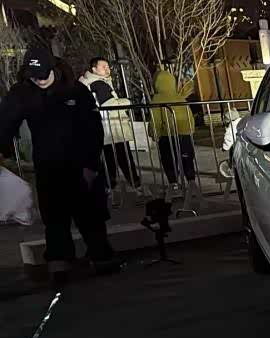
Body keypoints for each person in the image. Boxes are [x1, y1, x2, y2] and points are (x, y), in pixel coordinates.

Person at [0, 47, 117, 282]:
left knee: (90, 215)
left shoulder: (74, 89)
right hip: (48, 164)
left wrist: (90, 164)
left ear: (53, 68)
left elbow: (93, 129)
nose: (40, 80)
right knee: (54, 218)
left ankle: (101, 256)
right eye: (35, 77)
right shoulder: (23, 93)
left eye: (44, 75)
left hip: (81, 162)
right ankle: (59, 262)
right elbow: (5, 123)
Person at [80, 57, 142, 203]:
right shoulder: (98, 84)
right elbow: (110, 104)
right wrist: (128, 101)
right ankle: (136, 187)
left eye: (108, 66)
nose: (107, 69)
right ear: (94, 69)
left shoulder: (88, 83)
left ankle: (109, 190)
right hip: (113, 128)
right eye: (103, 67)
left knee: (109, 161)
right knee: (124, 159)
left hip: (103, 129)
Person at [150, 69, 197, 189]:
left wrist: (154, 133)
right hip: (184, 134)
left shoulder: (157, 99)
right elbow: (189, 115)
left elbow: (156, 119)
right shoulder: (180, 97)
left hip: (167, 135)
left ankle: (174, 182)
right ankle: (191, 181)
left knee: (169, 159)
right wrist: (191, 129)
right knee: (187, 158)